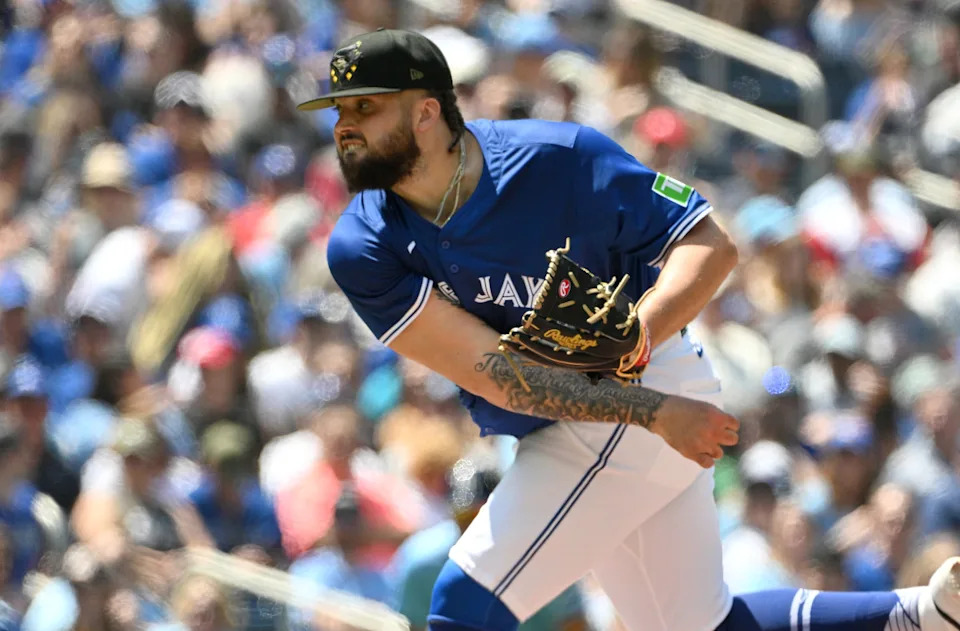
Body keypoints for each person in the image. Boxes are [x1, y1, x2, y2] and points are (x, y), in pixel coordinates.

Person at [299, 27, 960, 631]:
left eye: (365, 107)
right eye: (339, 112)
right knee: (699, 624)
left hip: (648, 377)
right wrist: (648, 407)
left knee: (464, 605)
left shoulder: (558, 157)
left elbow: (709, 245)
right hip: (601, 408)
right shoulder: (363, 243)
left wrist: (635, 347)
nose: (344, 127)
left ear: (425, 110)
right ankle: (927, 614)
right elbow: (501, 378)